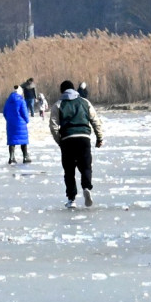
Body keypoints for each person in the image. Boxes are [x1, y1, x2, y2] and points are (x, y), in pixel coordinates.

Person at [50, 80, 104, 208]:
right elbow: (95, 120)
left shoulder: (58, 105)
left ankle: (71, 199)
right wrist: (99, 138)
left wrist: (60, 141)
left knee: (69, 170)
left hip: (67, 139)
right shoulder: (85, 102)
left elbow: (53, 126)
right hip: (84, 138)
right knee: (86, 166)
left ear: (61, 91)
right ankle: (86, 187)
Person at [3, 85, 31, 164]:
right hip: (21, 123)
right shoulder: (21, 100)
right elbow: (24, 112)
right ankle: (25, 156)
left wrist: (9, 119)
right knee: (23, 140)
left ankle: (11, 157)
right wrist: (27, 120)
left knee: (12, 141)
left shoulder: (8, 101)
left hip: (11, 123)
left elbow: (5, 112)